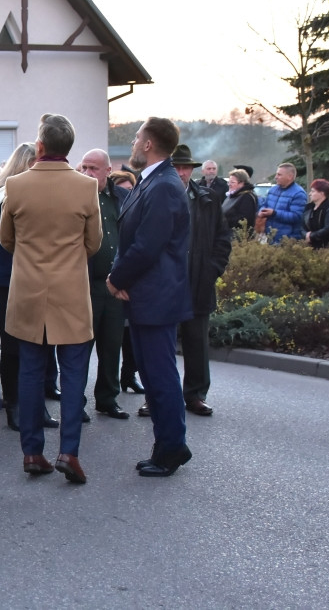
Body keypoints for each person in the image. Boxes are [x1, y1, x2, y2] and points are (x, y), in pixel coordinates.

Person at [1, 114, 101, 484]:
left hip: (27, 292)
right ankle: (69, 452)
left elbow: (6, 240)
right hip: (70, 294)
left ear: (39, 146)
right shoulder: (86, 187)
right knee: (74, 376)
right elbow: (94, 243)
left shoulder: (16, 184)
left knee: (29, 374)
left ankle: (32, 451)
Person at [107, 117, 193, 477]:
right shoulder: (154, 181)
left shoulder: (164, 187)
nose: (132, 143)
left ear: (148, 144)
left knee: (160, 378)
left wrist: (116, 277)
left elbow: (147, 246)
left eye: (136, 138)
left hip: (155, 297)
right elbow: (131, 238)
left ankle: (172, 447)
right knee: (156, 376)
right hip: (146, 296)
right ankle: (167, 444)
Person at [0, 143, 40, 431]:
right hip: (9, 280)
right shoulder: (6, 197)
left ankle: (31, 405)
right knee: (15, 346)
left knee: (35, 345)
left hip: (27, 279)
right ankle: (14, 405)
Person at [169, 145, 232, 418]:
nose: (182, 173)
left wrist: (212, 270)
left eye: (186, 168)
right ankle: (159, 395)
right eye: (177, 167)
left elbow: (223, 238)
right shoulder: (158, 196)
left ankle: (195, 394)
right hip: (166, 283)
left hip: (198, 281)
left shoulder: (207, 198)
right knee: (163, 345)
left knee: (197, 342)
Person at [77, 148, 136, 411]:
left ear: (108, 171)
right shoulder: (75, 196)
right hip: (84, 284)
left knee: (111, 346)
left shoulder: (123, 197)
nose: (87, 173)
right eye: (84, 168)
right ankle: (75, 401)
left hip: (114, 285)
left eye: (93, 169)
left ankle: (107, 398)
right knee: (79, 348)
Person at [258, 163, 307, 242]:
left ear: (290, 177)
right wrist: (261, 211)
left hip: (288, 238)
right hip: (271, 237)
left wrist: (275, 213)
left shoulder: (298, 194)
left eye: (279, 175)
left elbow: (297, 216)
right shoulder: (272, 190)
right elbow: (265, 205)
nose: (276, 177)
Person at [304, 178, 329, 249]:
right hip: (311, 248)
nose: (310, 194)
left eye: (313, 191)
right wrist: (305, 235)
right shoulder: (308, 208)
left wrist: (312, 236)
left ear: (322, 193)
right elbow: (302, 225)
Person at [221, 168, 258, 237]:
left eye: (232, 182)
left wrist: (224, 220)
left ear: (241, 183)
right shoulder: (233, 195)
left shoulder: (247, 197)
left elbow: (244, 220)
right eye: (229, 182)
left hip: (239, 237)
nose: (229, 184)